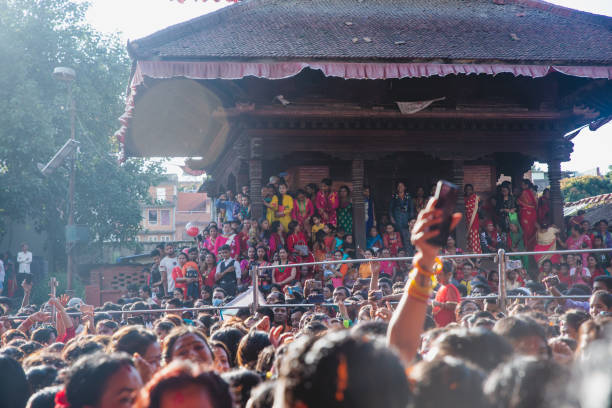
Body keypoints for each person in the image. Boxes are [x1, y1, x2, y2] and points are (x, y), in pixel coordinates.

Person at [433, 261, 461, 327]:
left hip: (448, 325)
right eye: (435, 274)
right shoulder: (442, 287)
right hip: (441, 324)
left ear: (449, 275)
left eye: (440, 274)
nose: (436, 276)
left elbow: (453, 305)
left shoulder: (450, 288)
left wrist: (437, 304)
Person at [389, 181, 415, 249]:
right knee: (399, 232)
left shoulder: (408, 196)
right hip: (397, 217)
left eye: (401, 186)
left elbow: (411, 208)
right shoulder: (394, 196)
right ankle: (401, 248)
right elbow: (390, 208)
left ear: (405, 187)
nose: (400, 187)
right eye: (399, 186)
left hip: (406, 217)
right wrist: (392, 218)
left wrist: (411, 219)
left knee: (406, 233)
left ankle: (407, 247)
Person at [516, 179, 538, 251]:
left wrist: (518, 201)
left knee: (526, 231)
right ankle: (531, 247)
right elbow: (536, 204)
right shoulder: (533, 192)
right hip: (533, 213)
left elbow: (519, 202)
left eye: (523, 185)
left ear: (526, 185)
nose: (522, 186)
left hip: (526, 214)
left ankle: (526, 246)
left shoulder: (524, 193)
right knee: (532, 230)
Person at [464, 184, 482, 254]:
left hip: (474, 220)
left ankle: (475, 252)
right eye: (467, 189)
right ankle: (469, 252)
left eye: (470, 189)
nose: (468, 191)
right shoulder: (463, 198)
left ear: (472, 190)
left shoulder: (476, 198)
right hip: (465, 220)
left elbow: (478, 209)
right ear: (464, 190)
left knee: (474, 236)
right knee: (466, 237)